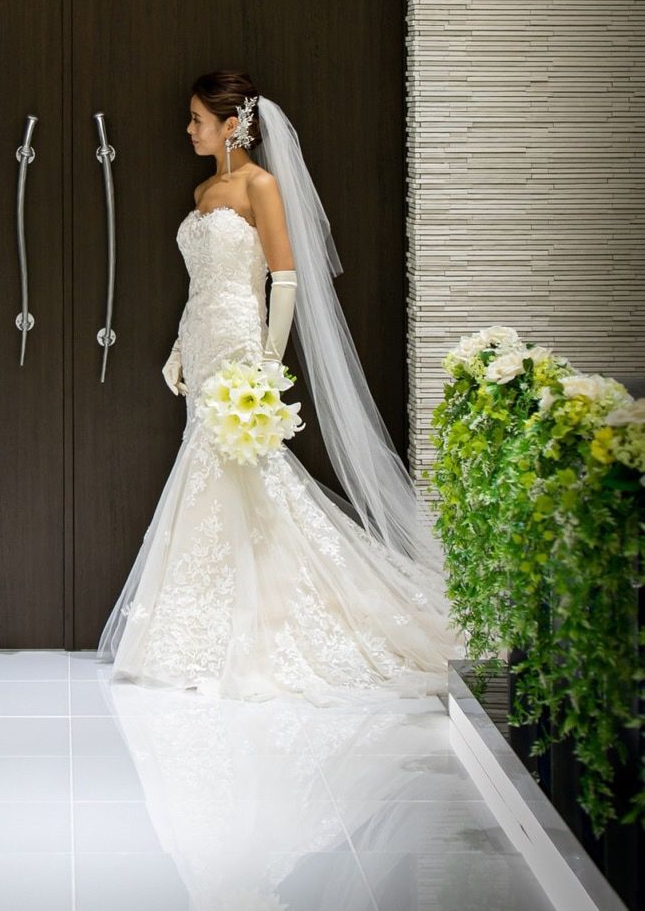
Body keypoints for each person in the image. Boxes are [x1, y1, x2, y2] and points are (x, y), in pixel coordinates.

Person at [100, 69, 457, 701]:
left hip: (241, 342)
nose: (188, 129)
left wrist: (267, 361)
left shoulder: (259, 185)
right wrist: (180, 348)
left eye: (197, 120)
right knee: (216, 471)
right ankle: (217, 619)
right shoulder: (203, 189)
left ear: (231, 125)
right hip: (203, 341)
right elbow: (201, 285)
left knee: (241, 466)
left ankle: (265, 622)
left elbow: (284, 277)